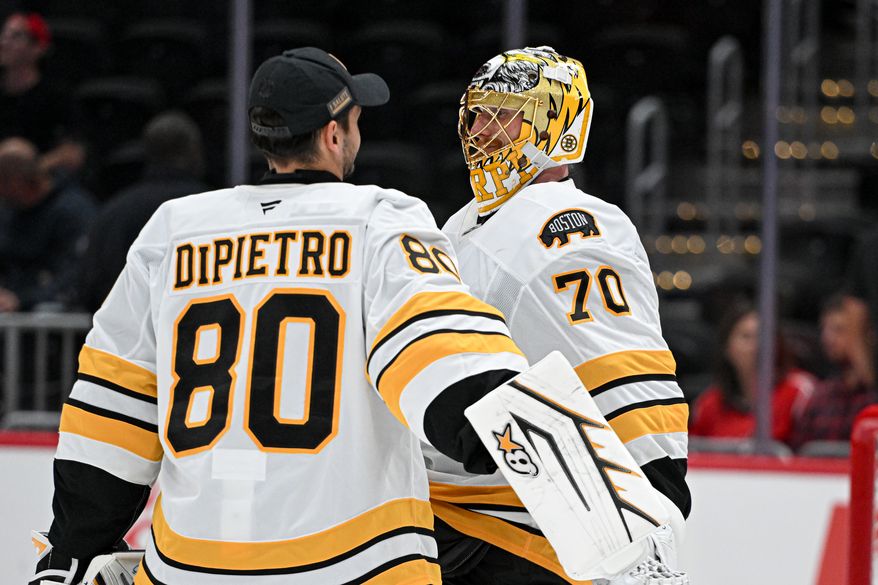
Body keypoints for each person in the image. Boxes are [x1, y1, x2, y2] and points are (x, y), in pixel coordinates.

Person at [30, 47, 531, 584]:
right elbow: (454, 372)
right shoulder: (380, 220)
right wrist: (555, 459)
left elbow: (112, 413)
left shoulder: (172, 233)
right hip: (356, 568)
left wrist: (70, 555)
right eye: (355, 119)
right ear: (334, 135)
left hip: (192, 568)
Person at [429, 46, 690, 584]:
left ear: (556, 127)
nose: (479, 127)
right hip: (475, 510)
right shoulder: (468, 224)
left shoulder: (552, 227)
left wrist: (645, 501)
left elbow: (616, 365)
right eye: (475, 111)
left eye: (500, 113)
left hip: (523, 527)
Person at [77, 111, 208, 312]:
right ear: (194, 150)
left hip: (129, 336)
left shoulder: (114, 212)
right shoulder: (217, 209)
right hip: (198, 336)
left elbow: (89, 286)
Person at [689, 304, 815, 444]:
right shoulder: (708, 405)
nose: (757, 345)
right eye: (746, 337)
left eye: (764, 336)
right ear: (727, 349)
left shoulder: (800, 393)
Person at [0, 137, 96, 311]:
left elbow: (78, 273)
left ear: (14, 181)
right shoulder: (9, 211)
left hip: (57, 322)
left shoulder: (73, 211)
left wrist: (22, 300)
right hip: (16, 324)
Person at [788, 295, 878, 450]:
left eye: (839, 329)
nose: (827, 337)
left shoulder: (871, 394)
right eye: (825, 328)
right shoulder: (820, 395)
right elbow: (799, 452)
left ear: (865, 334)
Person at [0, 13, 84, 174]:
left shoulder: (55, 95)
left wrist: (30, 169)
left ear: (38, 48)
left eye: (16, 36)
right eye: (4, 34)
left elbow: (73, 152)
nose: (4, 42)